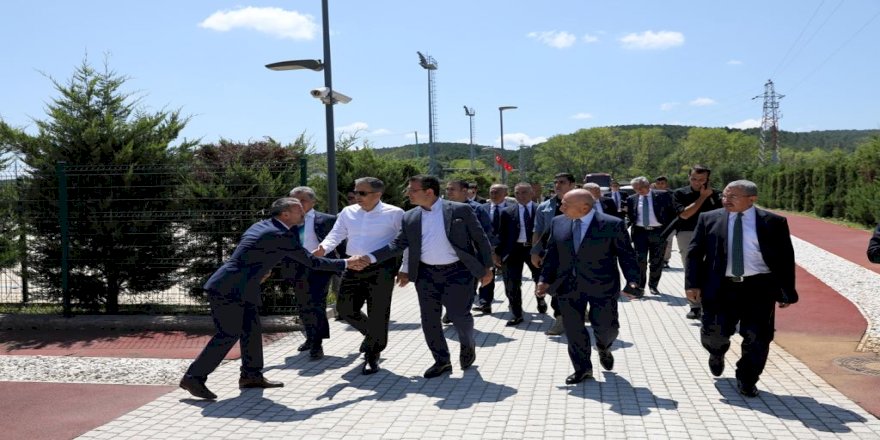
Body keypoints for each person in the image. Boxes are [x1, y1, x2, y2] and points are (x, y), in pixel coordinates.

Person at [179, 197, 365, 400]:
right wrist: (346, 263)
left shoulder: (263, 226)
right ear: (285, 214)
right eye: (298, 211)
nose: (303, 214)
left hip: (243, 286)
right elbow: (312, 262)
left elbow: (251, 250)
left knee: (251, 331)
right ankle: (193, 378)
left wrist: (261, 270)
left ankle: (251, 375)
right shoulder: (279, 234)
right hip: (229, 288)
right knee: (228, 334)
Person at [370, 175, 494, 379]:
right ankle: (442, 361)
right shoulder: (410, 217)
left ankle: (467, 343)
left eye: (412, 190)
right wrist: (370, 257)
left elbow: (480, 239)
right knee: (429, 320)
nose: (408, 193)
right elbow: (397, 244)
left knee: (459, 316)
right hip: (426, 275)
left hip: (458, 272)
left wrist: (487, 268)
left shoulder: (460, 210)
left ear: (429, 192)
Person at [686, 180, 798, 398]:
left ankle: (747, 378)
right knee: (714, 332)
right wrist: (692, 284)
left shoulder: (773, 222)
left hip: (759, 287)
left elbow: (785, 257)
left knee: (758, 336)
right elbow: (694, 252)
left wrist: (786, 291)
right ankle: (716, 352)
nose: (726, 200)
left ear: (752, 199)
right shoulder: (709, 218)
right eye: (724, 195)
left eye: (733, 196)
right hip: (720, 286)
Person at [536, 189, 640, 385]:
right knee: (573, 329)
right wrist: (544, 279)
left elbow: (626, 254)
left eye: (566, 204)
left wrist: (632, 281)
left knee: (606, 327)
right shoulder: (558, 222)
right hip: (567, 285)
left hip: (602, 284)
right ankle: (582, 369)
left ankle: (604, 346)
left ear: (584, 207)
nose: (561, 207)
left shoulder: (612, 224)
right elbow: (552, 254)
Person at [314, 177, 404, 375]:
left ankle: (372, 354)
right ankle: (373, 336)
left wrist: (405, 268)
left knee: (378, 312)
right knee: (344, 309)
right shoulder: (348, 212)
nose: (357, 196)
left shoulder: (395, 213)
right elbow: (336, 234)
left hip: (381, 268)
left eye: (362, 193)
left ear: (377, 194)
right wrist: (323, 248)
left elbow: (403, 242)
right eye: (355, 192)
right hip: (353, 265)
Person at [285, 186, 338, 360]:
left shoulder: (328, 220)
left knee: (317, 305)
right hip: (297, 267)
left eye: (302, 200)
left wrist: (344, 265)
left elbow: (340, 243)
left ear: (313, 202)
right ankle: (310, 337)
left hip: (320, 268)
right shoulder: (286, 220)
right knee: (304, 305)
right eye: (294, 200)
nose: (298, 204)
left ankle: (317, 344)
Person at [672, 165, 722, 319]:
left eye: (701, 180)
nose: (697, 182)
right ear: (689, 177)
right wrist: (702, 197)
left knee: (713, 268)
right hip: (688, 233)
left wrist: (709, 196)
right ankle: (694, 306)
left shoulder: (717, 195)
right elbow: (685, 214)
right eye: (694, 179)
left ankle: (711, 303)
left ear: (707, 179)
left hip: (712, 234)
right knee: (691, 268)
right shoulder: (679, 193)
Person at [531, 172, 577, 336]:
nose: (557, 185)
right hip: (552, 254)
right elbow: (537, 231)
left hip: (578, 252)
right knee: (555, 285)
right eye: (556, 182)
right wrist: (535, 252)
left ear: (572, 184)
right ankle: (560, 318)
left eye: (562, 182)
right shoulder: (545, 206)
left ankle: (579, 310)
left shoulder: (584, 203)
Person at [445, 179, 496, 317]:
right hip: (448, 255)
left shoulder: (477, 209)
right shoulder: (443, 208)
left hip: (471, 256)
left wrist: (488, 256)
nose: (448, 192)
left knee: (468, 287)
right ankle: (452, 310)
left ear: (464, 191)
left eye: (452, 189)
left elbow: (486, 233)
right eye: (447, 189)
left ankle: (460, 313)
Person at [494, 183, 539, 326]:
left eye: (524, 192)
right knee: (512, 283)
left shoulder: (540, 210)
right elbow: (501, 234)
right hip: (513, 250)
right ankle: (516, 313)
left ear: (532, 193)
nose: (520, 196)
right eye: (517, 193)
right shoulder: (507, 212)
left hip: (534, 250)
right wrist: (497, 253)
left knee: (540, 278)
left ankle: (541, 299)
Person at [626, 176, 677, 296]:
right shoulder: (631, 199)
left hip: (659, 232)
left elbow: (673, 214)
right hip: (640, 233)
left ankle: (653, 285)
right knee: (640, 261)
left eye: (641, 188)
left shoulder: (663, 195)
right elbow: (631, 216)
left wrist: (668, 231)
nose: (639, 190)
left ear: (648, 185)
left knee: (656, 261)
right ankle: (640, 286)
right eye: (636, 189)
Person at [472, 183, 509, 315]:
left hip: (507, 249)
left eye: (497, 192)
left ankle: (514, 303)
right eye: (492, 192)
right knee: (486, 275)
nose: (494, 194)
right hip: (486, 248)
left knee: (510, 280)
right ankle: (485, 304)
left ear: (505, 194)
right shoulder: (482, 209)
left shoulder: (512, 209)